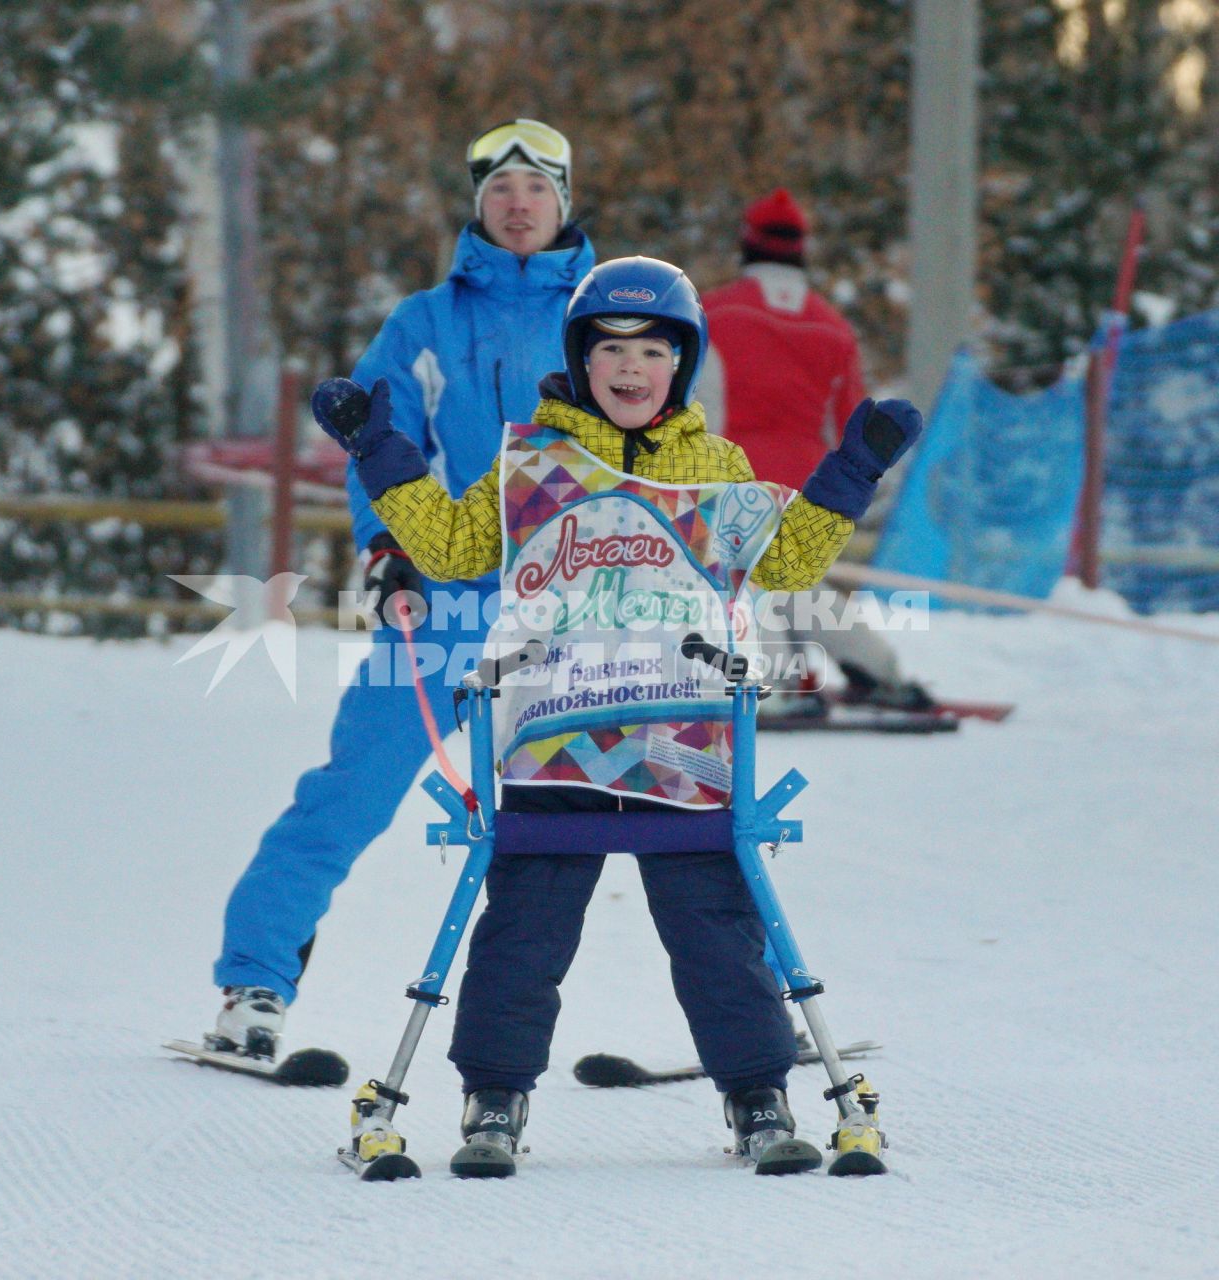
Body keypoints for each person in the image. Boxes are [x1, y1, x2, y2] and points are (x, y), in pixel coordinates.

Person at [313, 256, 923, 1174]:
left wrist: (853, 466)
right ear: (580, 357)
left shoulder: (717, 472)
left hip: (683, 741)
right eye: (610, 349)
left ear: (680, 363)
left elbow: (791, 562)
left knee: (716, 921)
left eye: (651, 350)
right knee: (526, 923)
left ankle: (757, 1096)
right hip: (556, 738)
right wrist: (379, 450)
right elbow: (446, 545)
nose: (630, 368)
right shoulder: (534, 463)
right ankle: (495, 1099)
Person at [207, 120, 596, 1061]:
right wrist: (390, 552)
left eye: (535, 191)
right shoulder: (424, 323)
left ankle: (744, 1012)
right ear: (477, 207)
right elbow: (380, 446)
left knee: (650, 800)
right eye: (499, 191)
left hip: (578, 609)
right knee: (354, 792)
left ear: (564, 203)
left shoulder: (605, 318)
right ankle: (253, 987)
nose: (517, 206)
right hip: (450, 603)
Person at [698, 188, 936, 713]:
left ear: (747, 244)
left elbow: (700, 407)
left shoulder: (713, 313)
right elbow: (854, 424)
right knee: (803, 587)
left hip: (735, 482)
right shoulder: (835, 328)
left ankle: (778, 680)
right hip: (811, 486)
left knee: (748, 587)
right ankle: (881, 671)